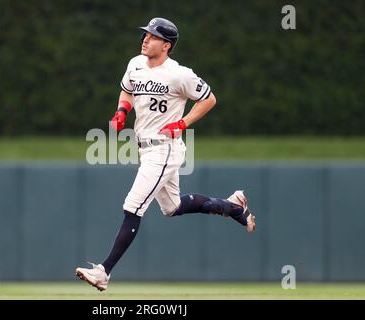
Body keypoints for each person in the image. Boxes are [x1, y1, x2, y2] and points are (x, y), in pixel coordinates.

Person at [76, 17, 256, 291]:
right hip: (145, 148)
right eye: (146, 34)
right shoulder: (135, 64)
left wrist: (183, 123)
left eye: (153, 36)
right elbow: (126, 92)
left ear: (167, 45)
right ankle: (233, 207)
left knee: (133, 206)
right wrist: (122, 111)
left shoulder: (179, 74)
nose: (146, 39)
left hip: (164, 149)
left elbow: (209, 98)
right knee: (172, 208)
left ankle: (104, 271)